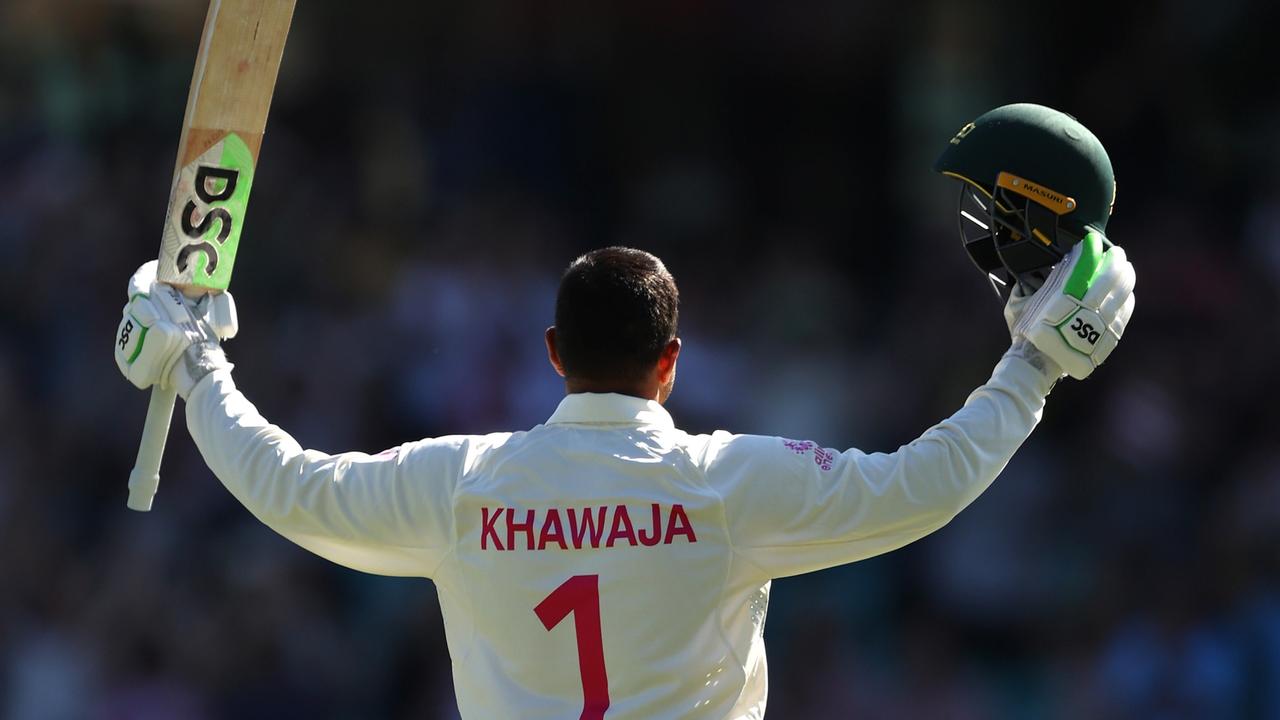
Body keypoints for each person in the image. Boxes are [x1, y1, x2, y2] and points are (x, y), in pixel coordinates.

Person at [112, 106, 1135, 719]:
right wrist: (1031, 367)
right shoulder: (729, 486)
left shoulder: (462, 485)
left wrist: (196, 366)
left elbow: (286, 484)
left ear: (553, 356)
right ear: (671, 363)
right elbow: (925, 486)